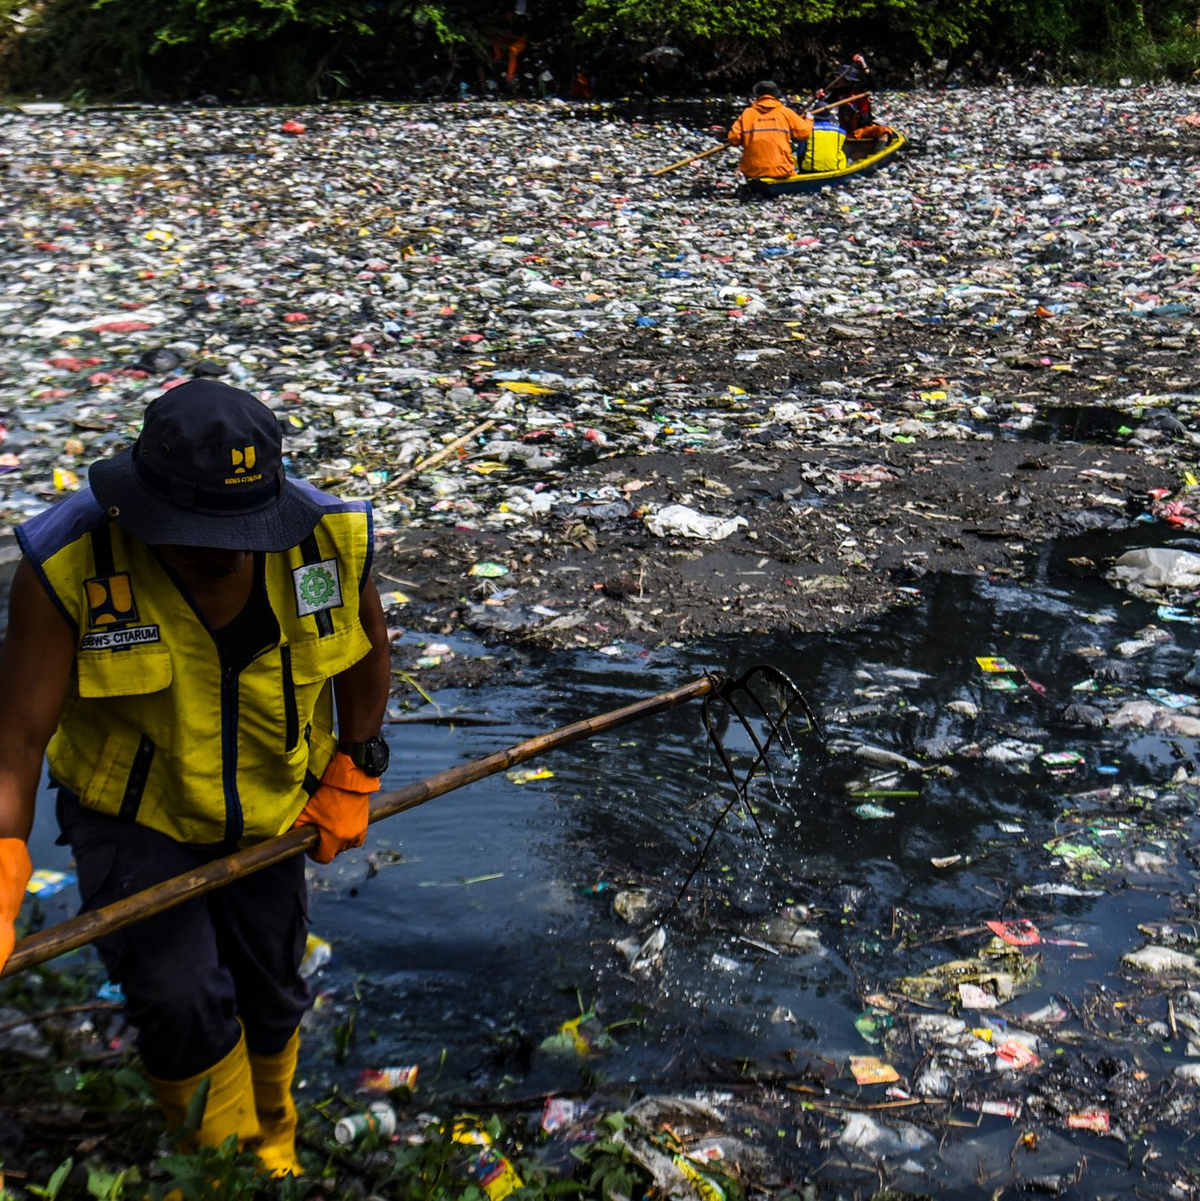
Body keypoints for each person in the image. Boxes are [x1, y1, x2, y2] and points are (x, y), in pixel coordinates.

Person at [0, 379, 391, 1176]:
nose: (211, 553)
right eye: (184, 534)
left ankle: (272, 1138)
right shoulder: (69, 559)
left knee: (273, 988)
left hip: (272, 805)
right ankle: (217, 1168)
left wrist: (355, 765)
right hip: (134, 813)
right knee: (177, 998)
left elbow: (364, 650)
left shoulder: (327, 541)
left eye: (234, 534)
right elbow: (16, 737)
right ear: (138, 506)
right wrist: (3, 859)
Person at [727, 80, 813, 180]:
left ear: (757, 96)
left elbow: (733, 139)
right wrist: (808, 119)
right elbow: (804, 133)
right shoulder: (785, 112)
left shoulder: (747, 113)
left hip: (753, 171)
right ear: (775, 95)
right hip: (781, 171)